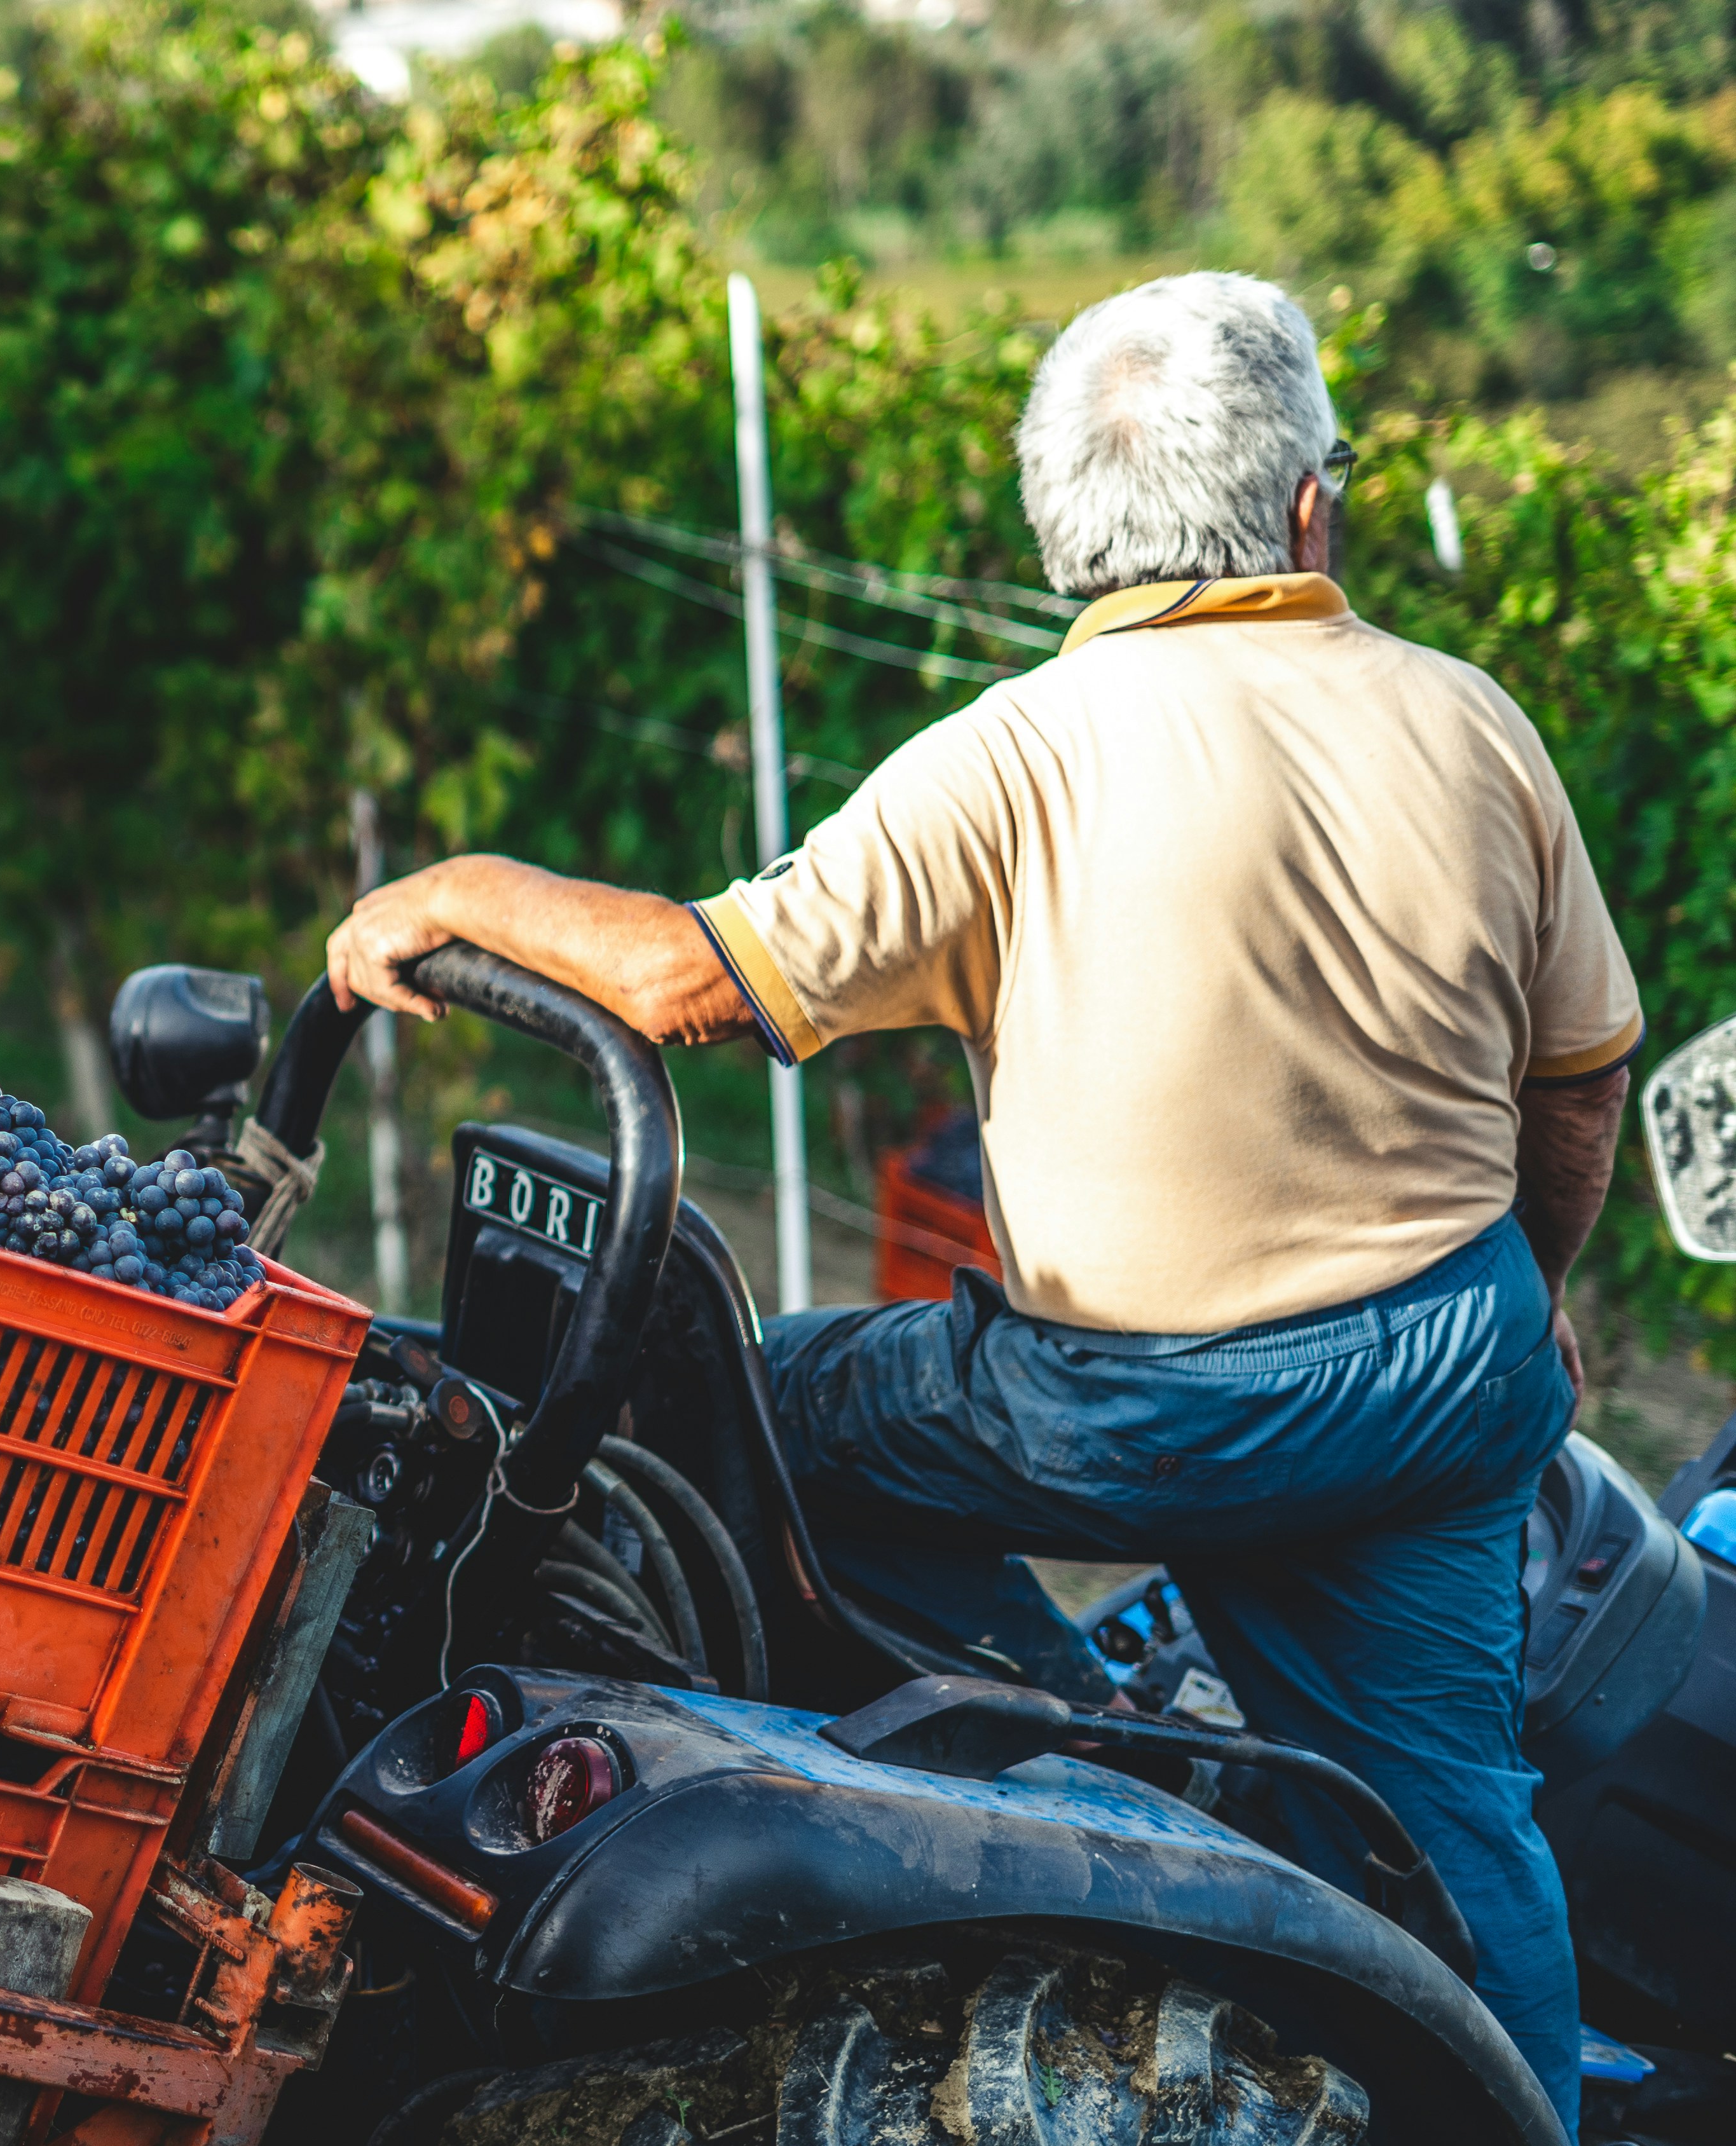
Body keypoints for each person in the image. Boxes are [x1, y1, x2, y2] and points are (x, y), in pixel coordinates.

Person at [323, 271, 1627, 2131]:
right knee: (1456, 1815)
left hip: (1134, 1417)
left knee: (760, 1408)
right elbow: (1575, 1090)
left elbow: (703, 982)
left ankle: (1030, 1751)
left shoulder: (1016, 757)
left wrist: (455, 889)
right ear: (1311, 511)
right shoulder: (1474, 723)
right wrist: (1528, 1294)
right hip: (1436, 1382)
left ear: (1058, 529)